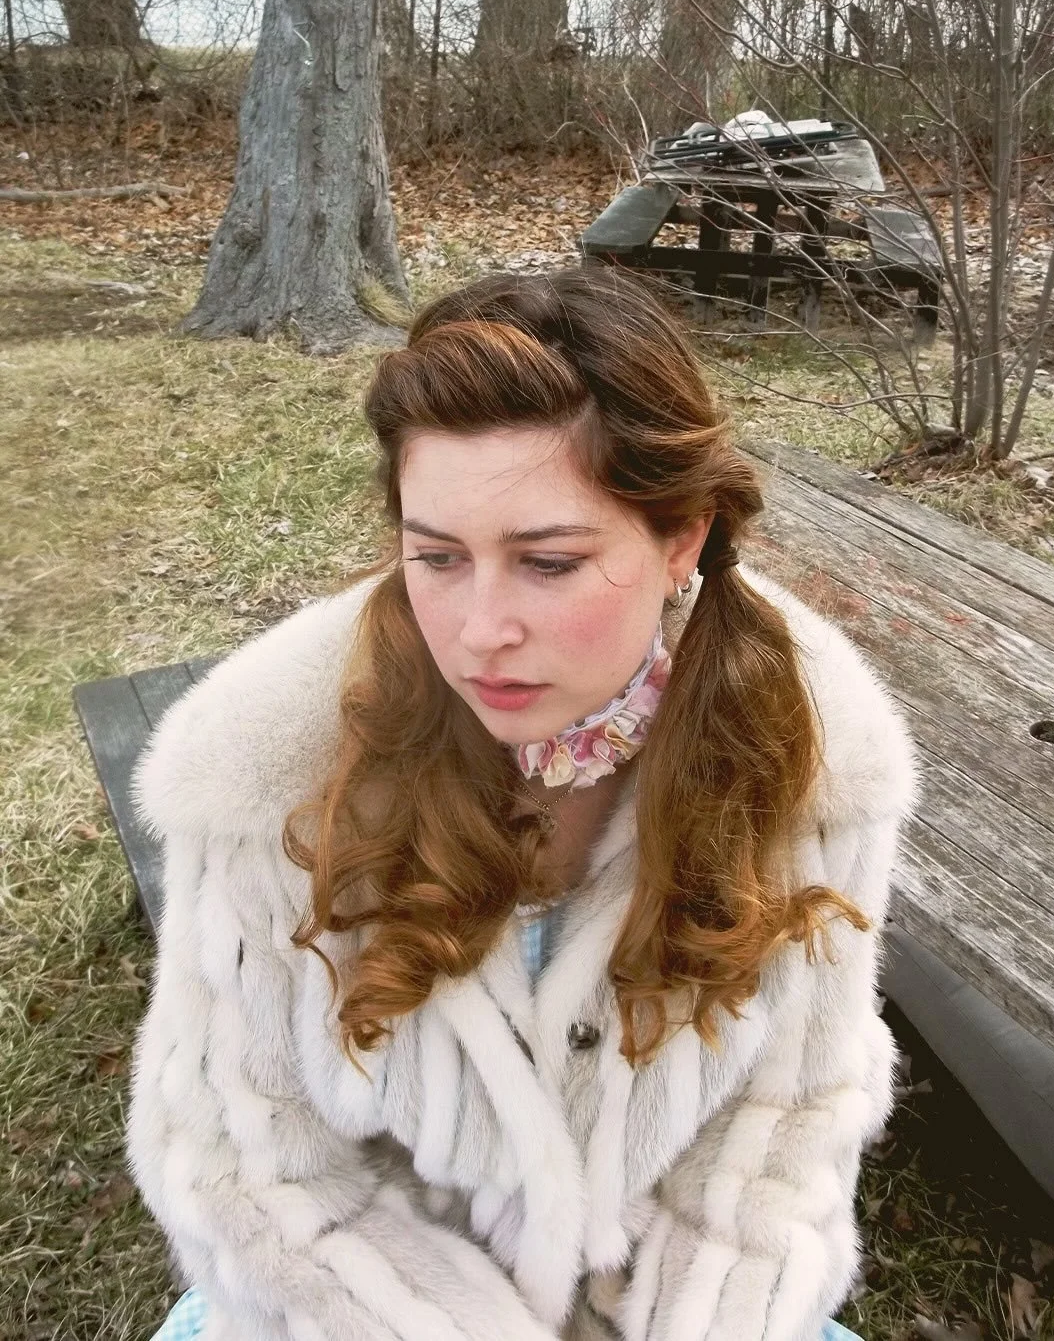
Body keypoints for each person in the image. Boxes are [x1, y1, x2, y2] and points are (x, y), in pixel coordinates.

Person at [128, 266, 921, 1341]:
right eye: (437, 558)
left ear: (680, 537)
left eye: (548, 563)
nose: (479, 629)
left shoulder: (813, 773)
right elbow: (241, 1167)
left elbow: (783, 1137)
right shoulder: (263, 784)